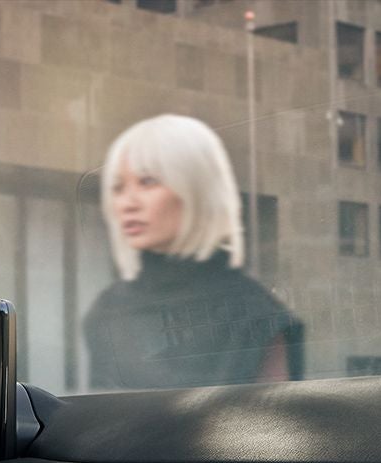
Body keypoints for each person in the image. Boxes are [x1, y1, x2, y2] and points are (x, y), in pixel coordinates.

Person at [83, 113, 303, 390]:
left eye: (148, 181)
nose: (128, 202)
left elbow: (272, 426)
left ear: (196, 187)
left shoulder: (255, 315)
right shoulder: (107, 311)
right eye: (118, 187)